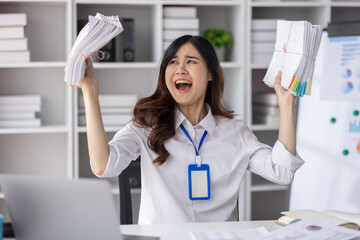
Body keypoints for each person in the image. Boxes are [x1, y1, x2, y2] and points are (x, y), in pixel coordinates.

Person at [68, 35, 304, 224]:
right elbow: (103, 165)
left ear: (211, 73)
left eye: (191, 61)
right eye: (173, 62)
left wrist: (286, 103)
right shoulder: (147, 126)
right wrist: (89, 91)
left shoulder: (235, 132)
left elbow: (282, 172)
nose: (180, 69)